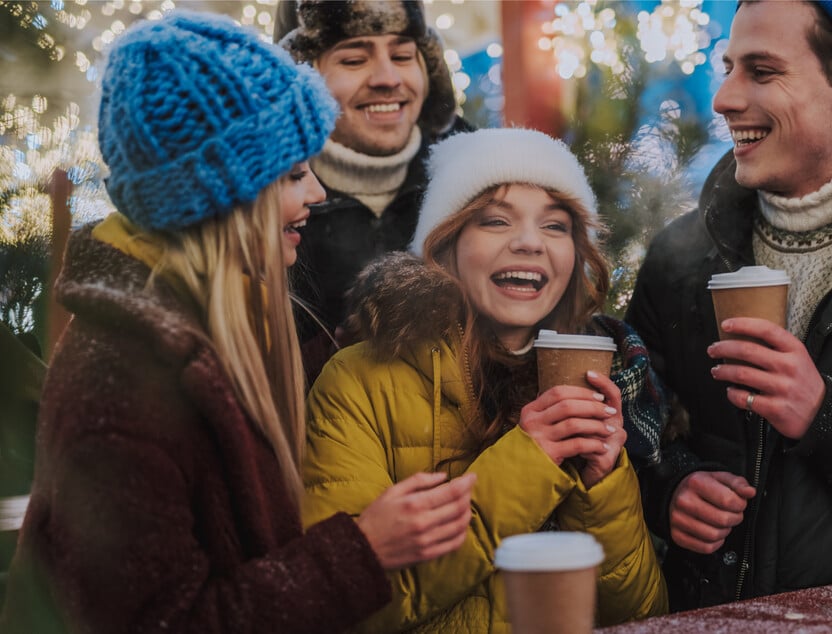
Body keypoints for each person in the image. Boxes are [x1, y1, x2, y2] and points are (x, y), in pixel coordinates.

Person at [0, 12, 475, 633]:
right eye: (292, 175)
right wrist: (362, 550)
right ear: (219, 194)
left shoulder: (212, 328)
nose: (316, 195)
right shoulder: (119, 388)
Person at [625, 0, 832, 612]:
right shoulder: (683, 255)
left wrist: (830, 417)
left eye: (762, 70)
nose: (723, 97)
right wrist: (669, 490)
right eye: (728, 67)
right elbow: (633, 432)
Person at [302, 128, 670, 632]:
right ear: (445, 246)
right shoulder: (357, 381)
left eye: (556, 226)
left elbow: (643, 617)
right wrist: (530, 461)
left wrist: (601, 487)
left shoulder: (607, 375)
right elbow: (354, 603)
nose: (529, 242)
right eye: (496, 221)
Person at [274, 0, 472, 383]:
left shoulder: (478, 182)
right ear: (300, 78)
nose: (387, 78)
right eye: (353, 60)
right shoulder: (261, 203)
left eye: (402, 55)